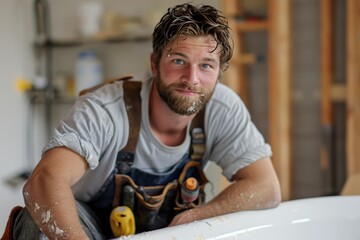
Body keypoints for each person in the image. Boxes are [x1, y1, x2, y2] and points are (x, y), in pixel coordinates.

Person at [11, 3, 281, 240]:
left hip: (171, 234)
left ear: (219, 73)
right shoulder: (104, 109)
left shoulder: (222, 108)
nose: (192, 78)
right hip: (90, 231)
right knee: (37, 216)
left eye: (206, 65)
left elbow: (266, 188)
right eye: (178, 60)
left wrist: (196, 216)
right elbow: (44, 180)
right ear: (154, 64)